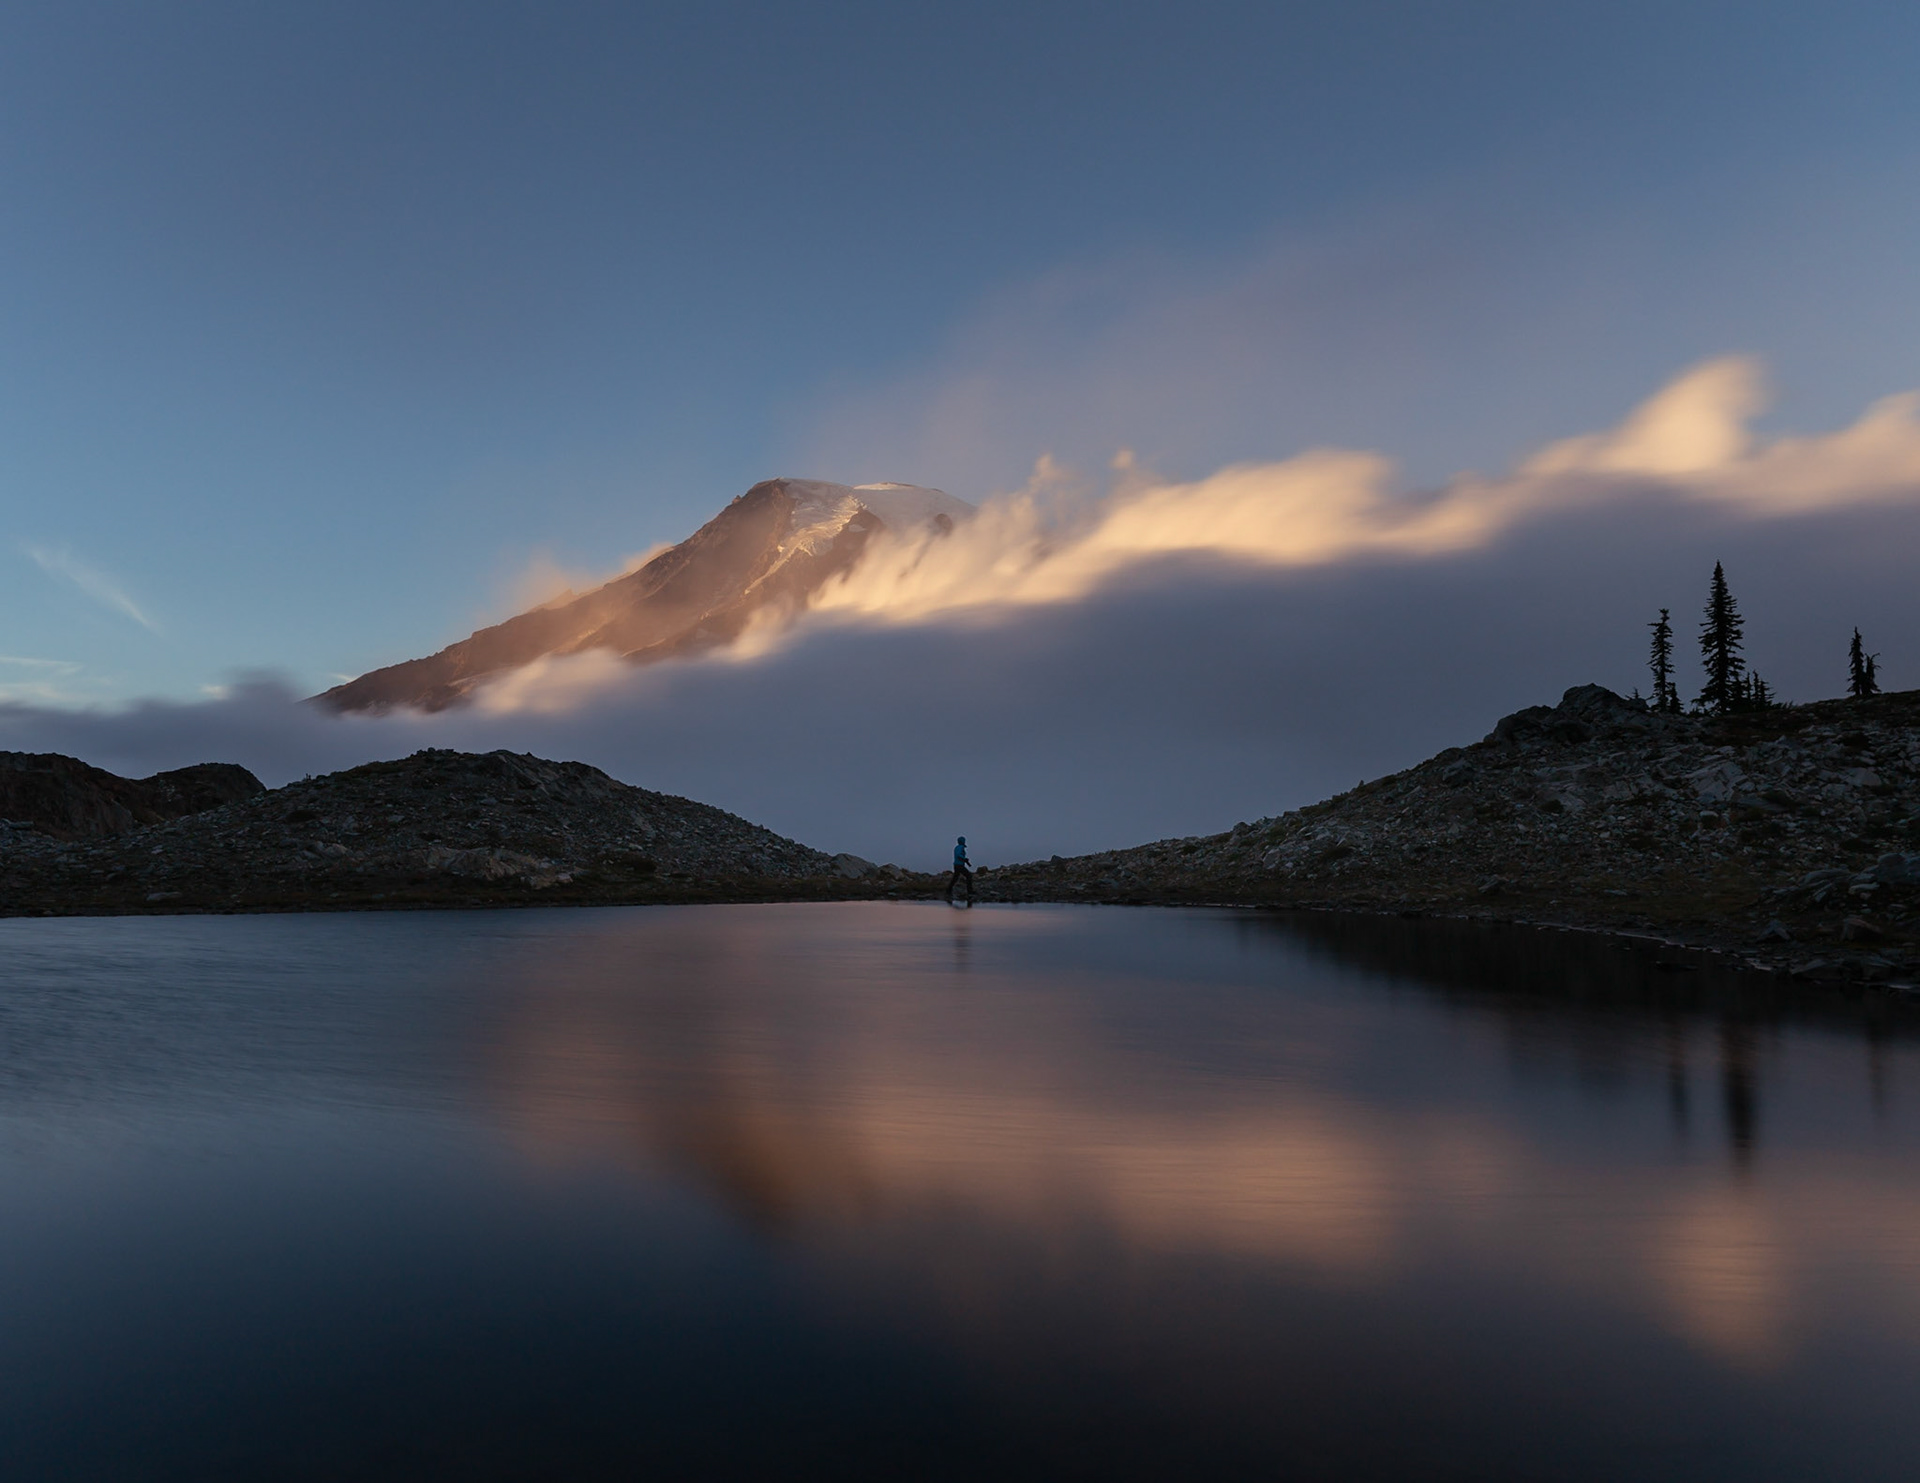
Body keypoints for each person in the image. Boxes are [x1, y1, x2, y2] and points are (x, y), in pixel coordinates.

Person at [947, 835, 972, 903]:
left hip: (957, 865)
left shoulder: (957, 847)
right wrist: (964, 859)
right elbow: (959, 855)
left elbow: (959, 856)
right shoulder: (960, 847)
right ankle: (970, 892)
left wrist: (965, 860)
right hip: (959, 865)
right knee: (969, 876)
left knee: (955, 878)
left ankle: (948, 890)